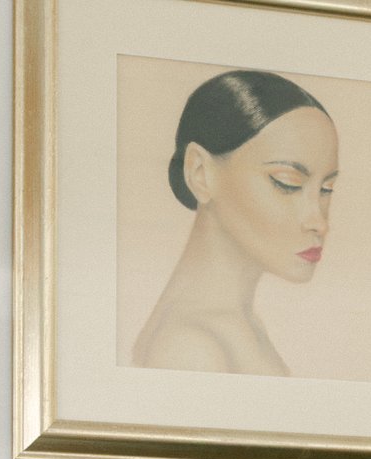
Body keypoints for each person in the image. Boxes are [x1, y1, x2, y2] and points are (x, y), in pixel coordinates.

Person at [132, 70, 337, 375]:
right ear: (200, 173)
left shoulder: (241, 325)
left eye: (326, 189)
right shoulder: (188, 349)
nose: (318, 222)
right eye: (287, 183)